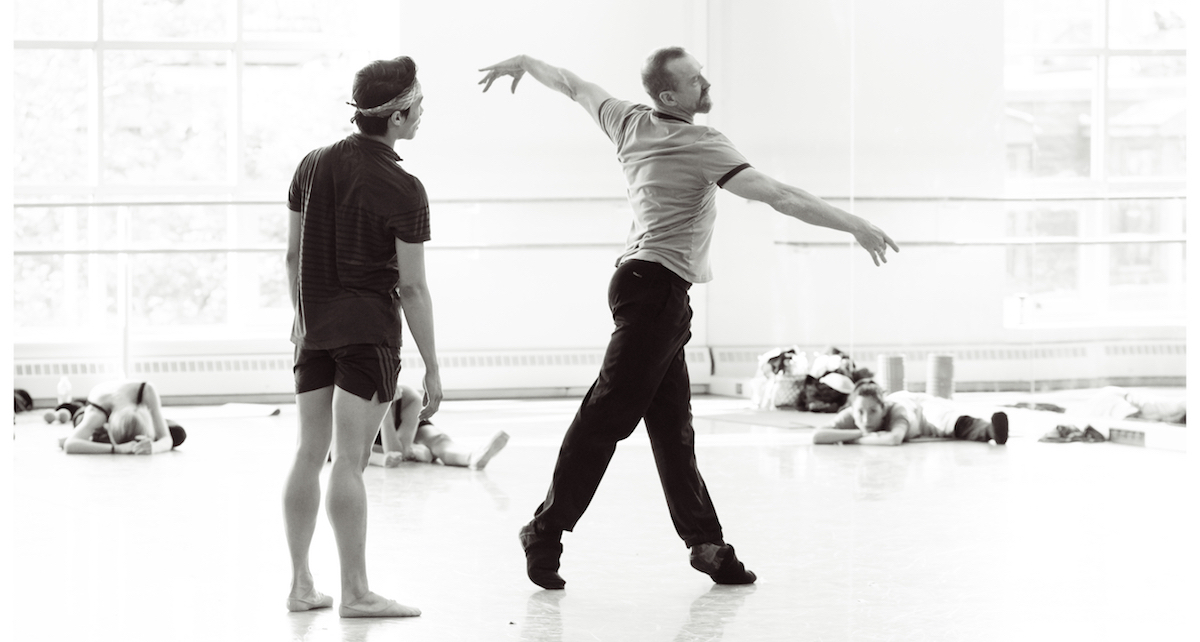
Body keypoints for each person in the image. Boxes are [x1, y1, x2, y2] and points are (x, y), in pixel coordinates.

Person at [478, 47, 899, 590]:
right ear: (670, 96)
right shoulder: (703, 144)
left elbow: (571, 83)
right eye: (694, 80)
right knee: (606, 415)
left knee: (673, 431)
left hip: (649, 292)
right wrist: (854, 225)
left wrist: (525, 62)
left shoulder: (626, 120)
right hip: (653, 293)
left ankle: (707, 545)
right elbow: (779, 196)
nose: (705, 82)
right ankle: (545, 529)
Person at [282, 55, 441, 619]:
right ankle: (356, 593)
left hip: (314, 331)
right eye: (418, 104)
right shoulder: (403, 186)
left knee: (309, 454)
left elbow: (293, 255)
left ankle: (302, 585)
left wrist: (301, 320)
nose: (423, 112)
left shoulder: (312, 164)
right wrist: (434, 367)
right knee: (349, 462)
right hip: (368, 336)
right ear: (396, 117)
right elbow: (413, 289)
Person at [812, 380, 1009, 446]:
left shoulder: (897, 411)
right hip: (908, 402)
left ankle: (991, 431)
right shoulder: (853, 413)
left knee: (947, 421)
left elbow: (893, 439)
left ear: (883, 409)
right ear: (852, 409)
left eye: (872, 412)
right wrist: (859, 434)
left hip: (921, 410)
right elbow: (818, 436)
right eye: (860, 413)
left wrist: (851, 437)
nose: (865, 419)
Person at [370, 383, 510, 469]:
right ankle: (415, 450)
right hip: (373, 435)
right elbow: (392, 452)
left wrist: (387, 406)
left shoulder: (410, 397)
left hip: (404, 431)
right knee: (366, 448)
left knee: (438, 439)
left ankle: (471, 457)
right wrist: (384, 408)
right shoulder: (359, 404)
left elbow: (397, 452)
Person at [59, 379, 185, 454]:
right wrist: (116, 449)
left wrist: (153, 447)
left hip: (130, 404)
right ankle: (76, 407)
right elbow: (69, 445)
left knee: (177, 434)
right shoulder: (98, 414)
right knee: (82, 421)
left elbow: (166, 439)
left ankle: (94, 439)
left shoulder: (146, 391)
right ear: (108, 426)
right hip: (94, 409)